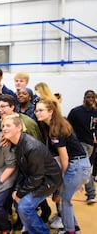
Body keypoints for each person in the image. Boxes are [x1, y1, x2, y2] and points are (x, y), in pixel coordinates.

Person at [36, 99, 92, 234]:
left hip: (76, 165)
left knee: (64, 200)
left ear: (51, 111)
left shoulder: (56, 130)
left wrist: (60, 180)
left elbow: (64, 158)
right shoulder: (52, 126)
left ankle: (70, 231)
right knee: (63, 199)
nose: (37, 113)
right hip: (80, 164)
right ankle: (74, 227)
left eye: (41, 110)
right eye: (36, 110)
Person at [1, 114, 62, 234]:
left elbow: (37, 177)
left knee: (24, 207)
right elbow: (23, 171)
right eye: (3, 126)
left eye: (8, 125)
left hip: (49, 181)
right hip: (36, 179)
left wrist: (19, 193)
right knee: (19, 205)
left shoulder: (31, 147)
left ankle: (43, 232)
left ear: (19, 128)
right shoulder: (16, 144)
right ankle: (33, 231)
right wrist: (18, 190)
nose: (4, 128)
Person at [67, 90, 97, 205]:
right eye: (88, 97)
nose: (90, 99)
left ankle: (87, 192)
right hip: (78, 144)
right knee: (84, 167)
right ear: (84, 98)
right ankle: (90, 194)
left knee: (84, 168)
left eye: (92, 97)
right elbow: (68, 126)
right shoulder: (76, 111)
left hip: (90, 144)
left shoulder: (95, 112)